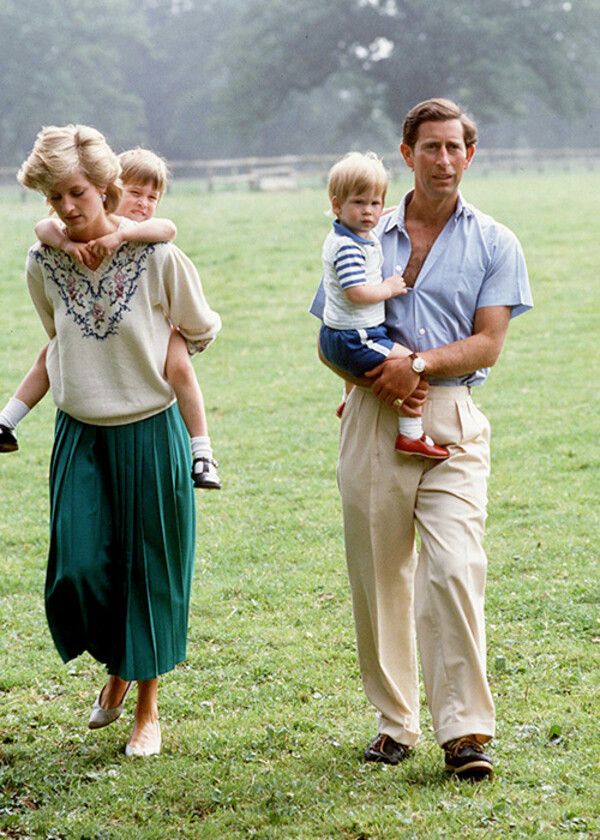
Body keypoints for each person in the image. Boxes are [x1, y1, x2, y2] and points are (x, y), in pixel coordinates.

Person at [311, 98, 532, 779]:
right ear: (406, 154)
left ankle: (465, 731)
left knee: (456, 567)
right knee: (378, 577)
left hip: (453, 419)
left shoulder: (495, 241)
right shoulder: (362, 231)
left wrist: (422, 364)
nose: (443, 159)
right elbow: (329, 337)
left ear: (471, 155)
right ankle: (395, 722)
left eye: (454, 148)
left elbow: (490, 341)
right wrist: (379, 378)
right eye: (430, 147)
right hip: (375, 415)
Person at [16, 124, 222, 757]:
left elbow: (201, 325)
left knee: (146, 572)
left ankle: (147, 710)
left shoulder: (157, 257)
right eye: (54, 200)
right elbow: (58, 338)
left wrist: (175, 344)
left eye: (76, 193)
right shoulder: (42, 261)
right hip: (79, 434)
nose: (67, 208)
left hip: (149, 433)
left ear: (105, 189)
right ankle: (117, 667)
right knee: (78, 569)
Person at [0, 147, 221, 489]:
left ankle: (202, 451)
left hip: (153, 386)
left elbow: (168, 228)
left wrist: (120, 234)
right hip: (81, 414)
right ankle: (8, 421)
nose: (144, 204)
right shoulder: (49, 251)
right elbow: (43, 226)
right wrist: (69, 247)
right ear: (112, 189)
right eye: (135, 193)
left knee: (178, 364)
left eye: (153, 197)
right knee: (53, 349)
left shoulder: (151, 243)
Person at [320, 151, 448, 459]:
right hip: (356, 337)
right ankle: (411, 435)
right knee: (414, 365)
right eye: (359, 203)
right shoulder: (348, 248)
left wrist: (397, 211)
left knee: (396, 363)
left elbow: (375, 217)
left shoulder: (351, 233)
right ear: (336, 205)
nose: (369, 212)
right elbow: (356, 292)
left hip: (342, 333)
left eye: (375, 203)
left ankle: (347, 400)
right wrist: (388, 288)